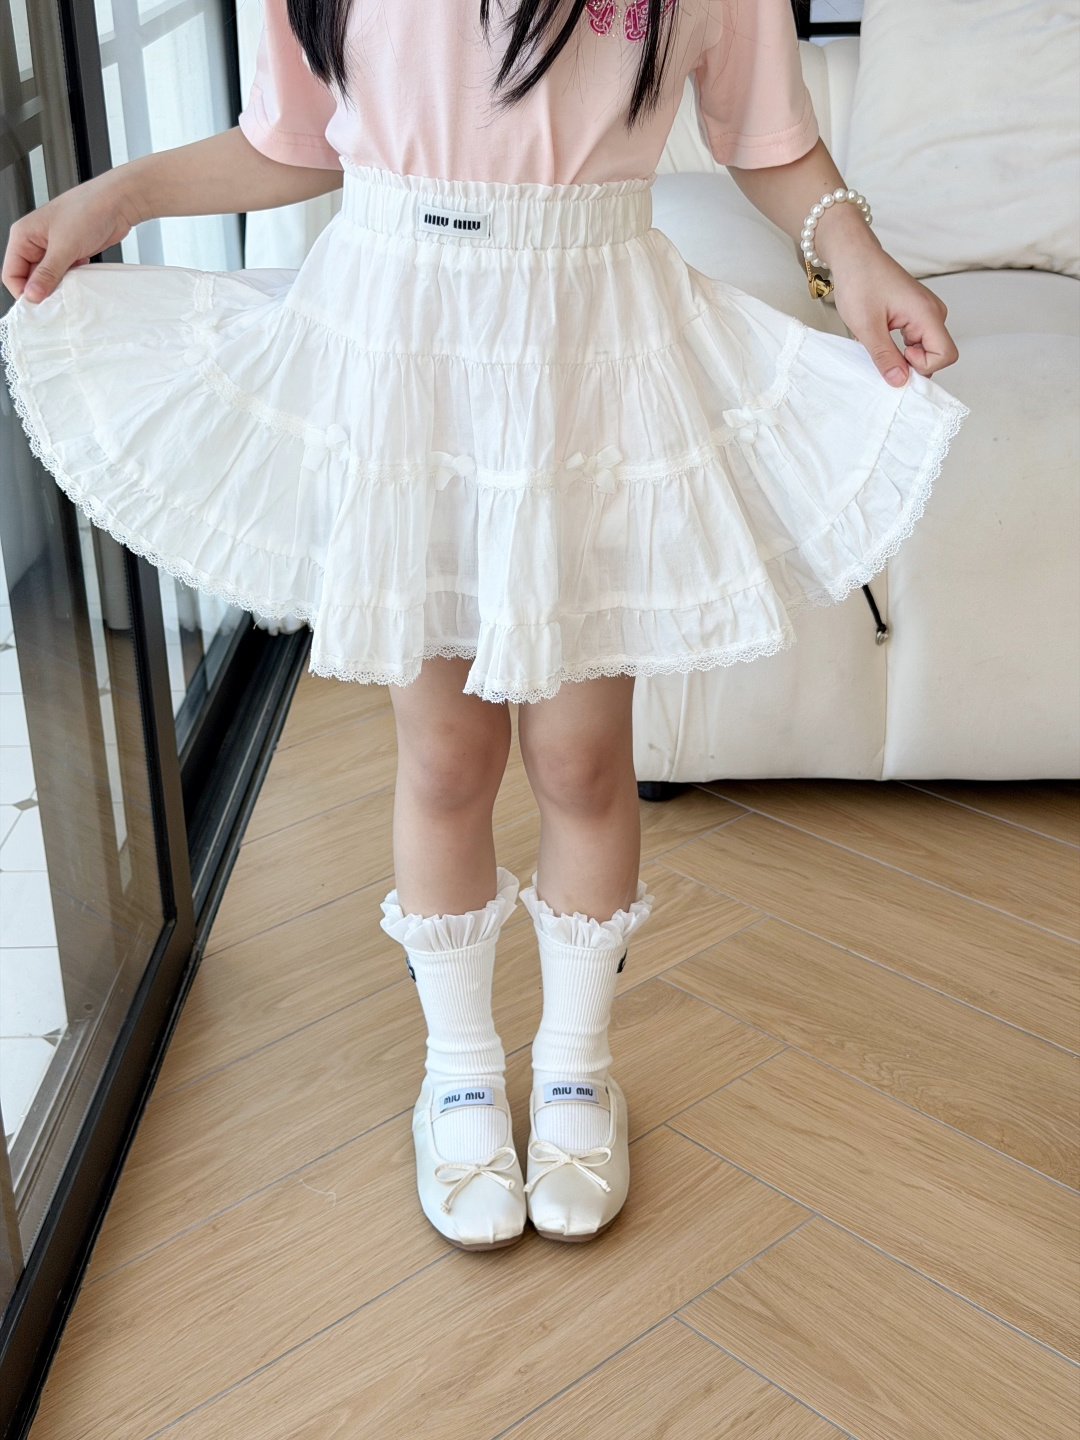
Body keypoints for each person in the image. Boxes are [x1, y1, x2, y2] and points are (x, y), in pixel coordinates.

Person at [1, 0, 964, 1250]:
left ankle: (576, 1070)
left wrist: (857, 258)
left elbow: (766, 134)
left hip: (592, 350)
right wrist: (118, 199)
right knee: (447, 757)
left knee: (580, 759)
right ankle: (457, 1074)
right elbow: (296, 141)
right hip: (404, 348)